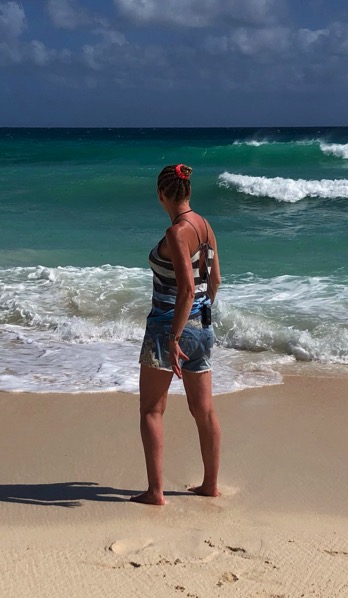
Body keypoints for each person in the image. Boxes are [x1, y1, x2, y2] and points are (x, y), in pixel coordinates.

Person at [131, 163, 222, 506]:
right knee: (205, 410)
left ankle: (156, 493)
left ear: (161, 195)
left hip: (167, 328)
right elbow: (213, 281)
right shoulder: (204, 225)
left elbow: (185, 289)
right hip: (202, 327)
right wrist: (201, 314)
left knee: (152, 410)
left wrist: (173, 337)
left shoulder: (176, 233)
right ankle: (210, 485)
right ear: (188, 192)